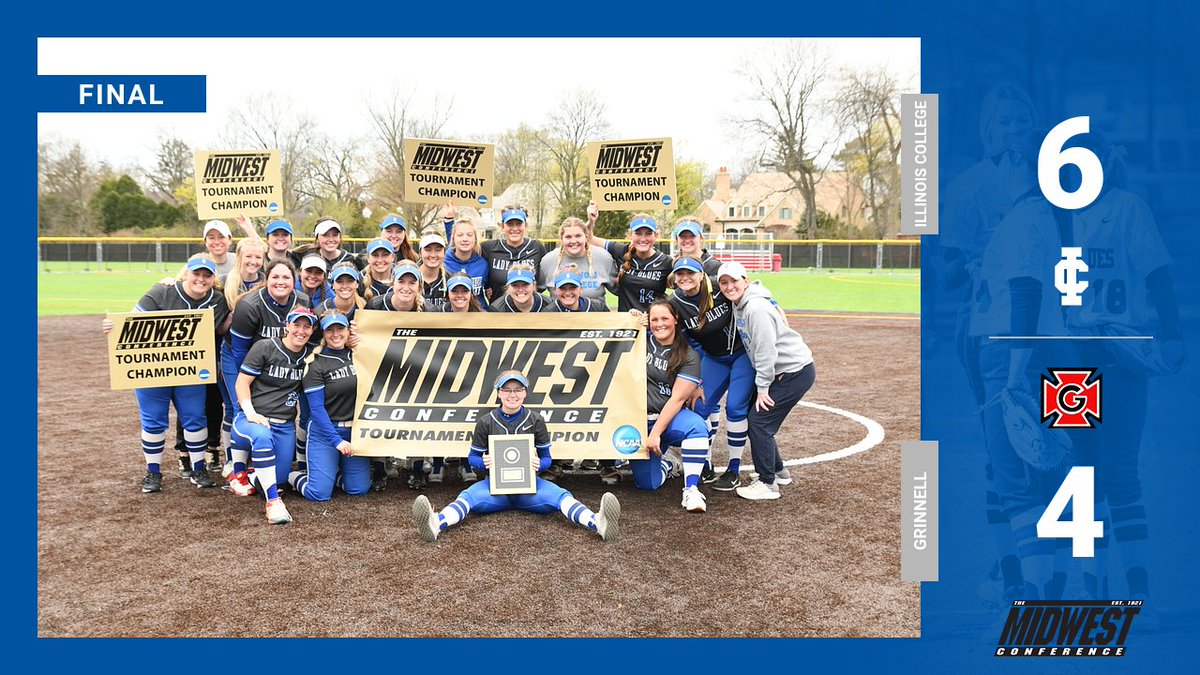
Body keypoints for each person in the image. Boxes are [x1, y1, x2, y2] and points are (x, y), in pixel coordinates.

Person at [410, 370, 620, 543]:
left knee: (561, 496)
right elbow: (473, 458)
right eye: (507, 390)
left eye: (517, 389)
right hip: (494, 488)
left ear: (525, 393)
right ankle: (435, 523)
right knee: (467, 496)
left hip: (528, 488)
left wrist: (539, 463)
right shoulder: (486, 421)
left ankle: (598, 522)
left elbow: (547, 457)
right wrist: (483, 463)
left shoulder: (535, 420)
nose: (513, 394)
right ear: (498, 393)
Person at [102, 254, 229, 493]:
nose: (201, 279)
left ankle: (198, 467)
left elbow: (220, 328)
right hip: (154, 369)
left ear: (213, 278)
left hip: (189, 369)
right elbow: (132, 320)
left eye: (206, 275)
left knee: (194, 418)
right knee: (153, 421)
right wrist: (114, 326)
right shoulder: (163, 291)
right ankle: (153, 472)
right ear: (186, 273)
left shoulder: (216, 299)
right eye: (196, 273)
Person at [717, 261, 816, 501]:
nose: (730, 287)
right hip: (785, 371)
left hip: (793, 372)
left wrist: (762, 388)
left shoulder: (755, 309)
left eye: (735, 281)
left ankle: (768, 483)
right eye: (724, 282)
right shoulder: (742, 303)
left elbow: (765, 352)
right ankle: (779, 471)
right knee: (760, 420)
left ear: (746, 281)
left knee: (759, 421)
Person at [220, 258, 313, 478]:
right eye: (275, 277)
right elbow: (240, 353)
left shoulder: (301, 299)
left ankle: (267, 457)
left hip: (272, 359)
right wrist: (251, 382)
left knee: (274, 404)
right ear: (266, 279)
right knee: (240, 406)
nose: (281, 281)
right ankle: (236, 466)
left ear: (295, 280)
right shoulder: (249, 305)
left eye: (286, 277)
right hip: (240, 357)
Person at [668, 256, 752, 492]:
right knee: (698, 406)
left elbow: (750, 287)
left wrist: (772, 302)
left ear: (701, 275)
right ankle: (704, 464)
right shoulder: (675, 301)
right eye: (680, 274)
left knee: (735, 408)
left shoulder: (717, 285)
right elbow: (662, 318)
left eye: (690, 273)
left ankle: (734, 469)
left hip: (741, 354)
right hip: (714, 358)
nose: (685, 278)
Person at [229, 306, 317, 524]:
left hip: (284, 424)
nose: (301, 330)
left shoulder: (311, 353)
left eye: (307, 326)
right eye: (296, 324)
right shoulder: (265, 346)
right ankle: (273, 503)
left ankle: (246, 474)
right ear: (287, 325)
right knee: (261, 438)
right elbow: (242, 382)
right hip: (251, 419)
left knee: (279, 480)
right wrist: (249, 412)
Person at [628, 300, 711, 512]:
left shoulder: (687, 355)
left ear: (675, 319)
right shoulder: (639, 341)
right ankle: (670, 463)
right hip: (639, 420)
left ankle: (691, 489)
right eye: (654, 319)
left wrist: (655, 433)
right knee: (647, 485)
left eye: (665, 318)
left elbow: (676, 400)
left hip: (669, 419)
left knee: (697, 427)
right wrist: (630, 320)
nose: (659, 324)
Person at [287, 313, 371, 501]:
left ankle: (332, 476)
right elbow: (316, 410)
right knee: (319, 494)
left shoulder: (358, 355)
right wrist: (336, 441)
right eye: (330, 330)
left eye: (340, 329)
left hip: (355, 431)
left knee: (359, 489)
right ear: (323, 334)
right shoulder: (315, 363)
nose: (336, 334)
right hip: (325, 431)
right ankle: (291, 477)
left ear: (348, 330)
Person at [588, 212, 671, 312]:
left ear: (656, 235)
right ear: (630, 234)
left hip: (653, 323)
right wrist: (591, 221)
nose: (643, 239)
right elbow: (589, 238)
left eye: (648, 233)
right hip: (627, 323)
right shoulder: (621, 251)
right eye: (638, 233)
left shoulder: (666, 262)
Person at [538, 216, 614, 304]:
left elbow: (621, 290)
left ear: (586, 236)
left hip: (595, 315)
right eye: (568, 237)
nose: (573, 241)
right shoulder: (548, 261)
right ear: (561, 239)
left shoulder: (603, 258)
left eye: (578, 236)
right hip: (560, 316)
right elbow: (534, 292)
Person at [478, 205, 547, 301]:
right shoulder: (489, 248)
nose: (514, 228)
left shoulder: (537, 247)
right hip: (499, 311)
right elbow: (463, 249)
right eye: (510, 224)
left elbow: (543, 283)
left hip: (530, 311)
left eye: (519, 223)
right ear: (502, 226)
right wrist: (487, 287)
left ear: (525, 225)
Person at [441, 217, 489, 307]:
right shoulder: (444, 262)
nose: (465, 239)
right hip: (451, 315)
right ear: (453, 238)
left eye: (469, 235)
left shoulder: (483, 264)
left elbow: (490, 288)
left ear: (475, 239)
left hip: (478, 315)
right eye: (460, 235)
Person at [671, 217, 722, 287]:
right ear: (677, 239)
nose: (687, 240)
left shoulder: (714, 266)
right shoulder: (672, 264)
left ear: (701, 238)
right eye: (683, 236)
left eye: (692, 236)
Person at [488, 263, 557, 313]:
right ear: (508, 287)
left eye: (525, 284)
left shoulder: (548, 304)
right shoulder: (497, 309)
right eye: (515, 285)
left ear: (534, 285)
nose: (520, 289)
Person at [417, 231, 449, 311]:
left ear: (444, 253)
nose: (433, 255)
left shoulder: (450, 280)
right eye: (428, 250)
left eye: (438, 250)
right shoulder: (410, 278)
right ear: (420, 252)